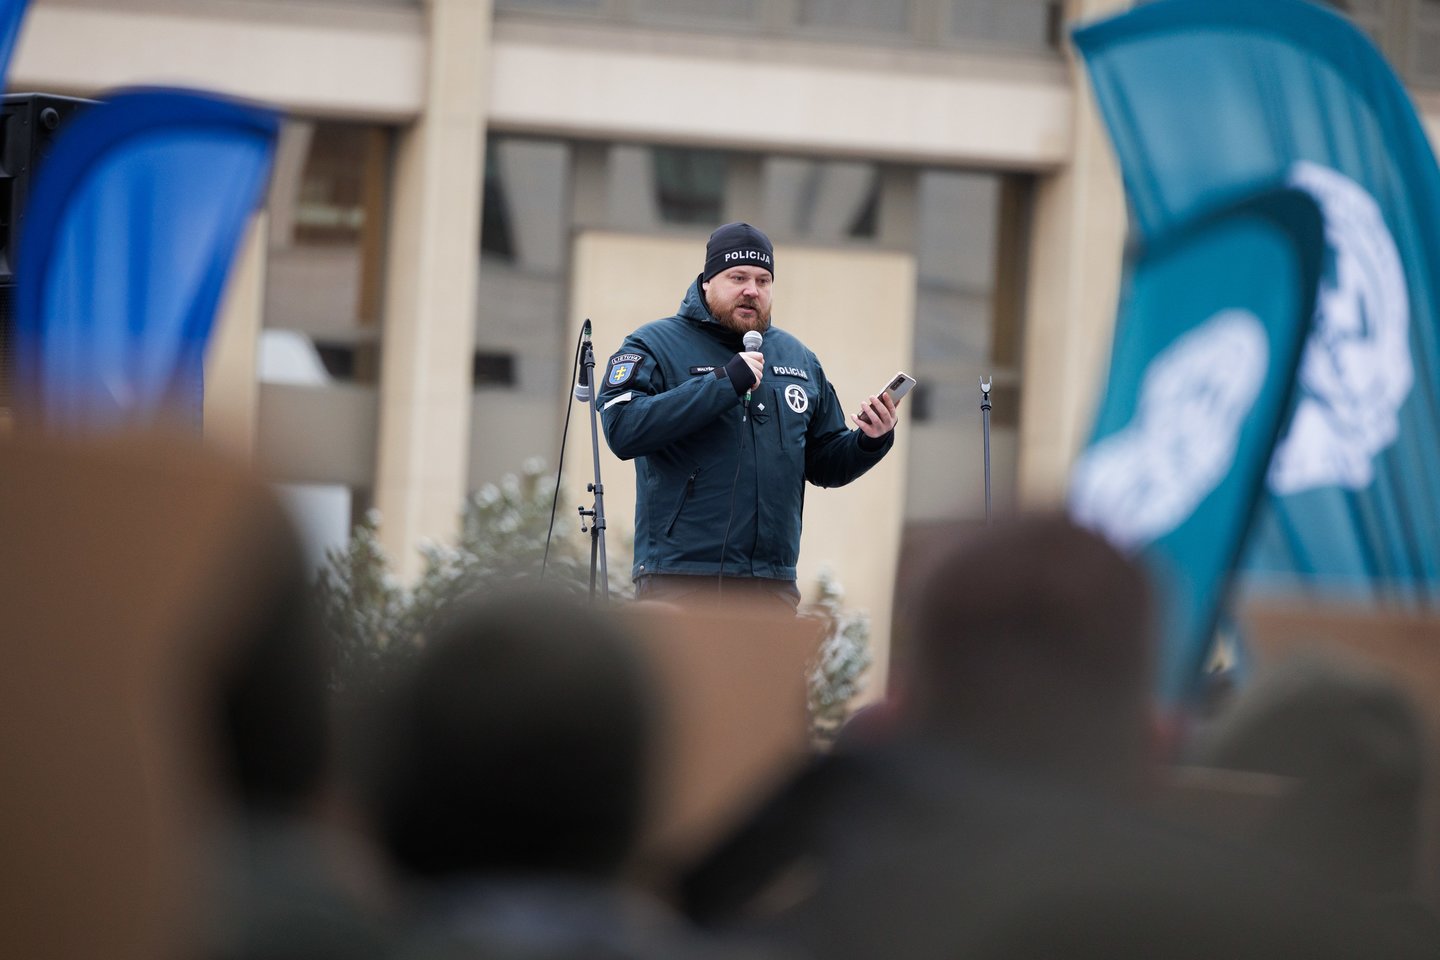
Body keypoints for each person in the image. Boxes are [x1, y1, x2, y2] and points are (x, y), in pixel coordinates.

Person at [598, 221, 900, 612]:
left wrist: (869, 440)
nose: (751, 290)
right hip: (681, 578)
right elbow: (623, 429)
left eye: (763, 280)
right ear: (707, 281)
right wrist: (724, 384)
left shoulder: (799, 359)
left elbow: (824, 463)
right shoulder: (654, 344)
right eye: (737, 277)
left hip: (770, 583)